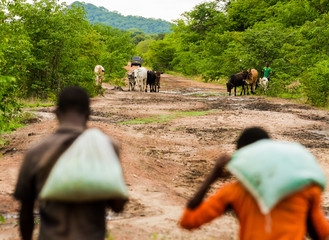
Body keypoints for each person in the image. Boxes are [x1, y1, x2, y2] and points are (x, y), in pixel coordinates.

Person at [14, 86, 128, 240]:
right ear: (88, 114)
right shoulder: (106, 147)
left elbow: (25, 213)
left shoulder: (36, 152)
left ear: (57, 113)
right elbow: (118, 207)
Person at [179, 127, 329, 240]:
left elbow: (188, 221)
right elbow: (321, 233)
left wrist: (213, 176)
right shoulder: (305, 189)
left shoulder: (234, 192)